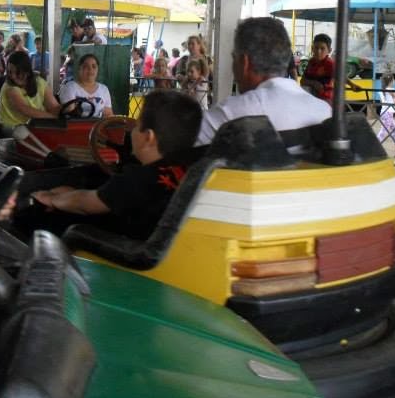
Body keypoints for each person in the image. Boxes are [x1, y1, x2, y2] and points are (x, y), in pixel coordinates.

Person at [32, 89, 202, 240]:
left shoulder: (138, 180)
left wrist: (51, 199)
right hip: (160, 239)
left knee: (49, 220)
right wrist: (69, 194)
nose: (131, 131)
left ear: (148, 137)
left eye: (137, 125)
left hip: (125, 249)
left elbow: (84, 204)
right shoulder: (194, 170)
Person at [196, 17, 331, 146]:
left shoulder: (229, 113)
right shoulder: (325, 111)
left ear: (244, 62)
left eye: (234, 57)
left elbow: (186, 141)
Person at [0, 50, 61, 128]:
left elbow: (54, 107)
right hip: (12, 127)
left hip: (35, 126)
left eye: (17, 72)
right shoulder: (9, 86)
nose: (13, 76)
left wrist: (59, 115)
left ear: (27, 71)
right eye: (10, 72)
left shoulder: (40, 82)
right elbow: (24, 109)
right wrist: (52, 118)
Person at [59, 53, 113, 117]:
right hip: (75, 123)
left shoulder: (104, 89)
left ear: (97, 69)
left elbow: (108, 114)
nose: (90, 69)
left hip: (98, 123)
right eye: (86, 66)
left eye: (94, 66)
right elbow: (69, 111)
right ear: (79, 69)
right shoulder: (70, 87)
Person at [300, 33, 335, 103]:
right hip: (311, 97)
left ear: (329, 50)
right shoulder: (311, 62)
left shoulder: (330, 64)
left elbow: (341, 77)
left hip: (326, 98)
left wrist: (352, 85)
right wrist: (314, 83)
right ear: (312, 48)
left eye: (322, 48)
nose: (318, 51)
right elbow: (302, 81)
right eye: (316, 48)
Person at [377, 73, 395, 146]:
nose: (394, 81)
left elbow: (383, 102)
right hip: (388, 113)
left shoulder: (382, 90)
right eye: (394, 79)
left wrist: (393, 103)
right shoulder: (391, 89)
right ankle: (376, 144)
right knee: (384, 131)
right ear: (391, 81)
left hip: (384, 112)